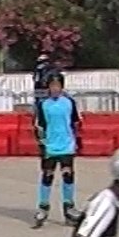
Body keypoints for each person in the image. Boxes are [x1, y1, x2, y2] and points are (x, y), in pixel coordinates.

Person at [33, 75, 84, 228]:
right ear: (48, 88)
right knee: (48, 175)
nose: (55, 89)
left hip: (67, 145)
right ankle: (43, 207)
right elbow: (39, 126)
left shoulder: (69, 103)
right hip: (50, 145)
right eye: (52, 86)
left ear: (62, 87)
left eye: (57, 85)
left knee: (68, 175)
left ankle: (69, 207)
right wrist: (42, 144)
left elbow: (76, 122)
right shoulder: (43, 105)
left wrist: (77, 140)